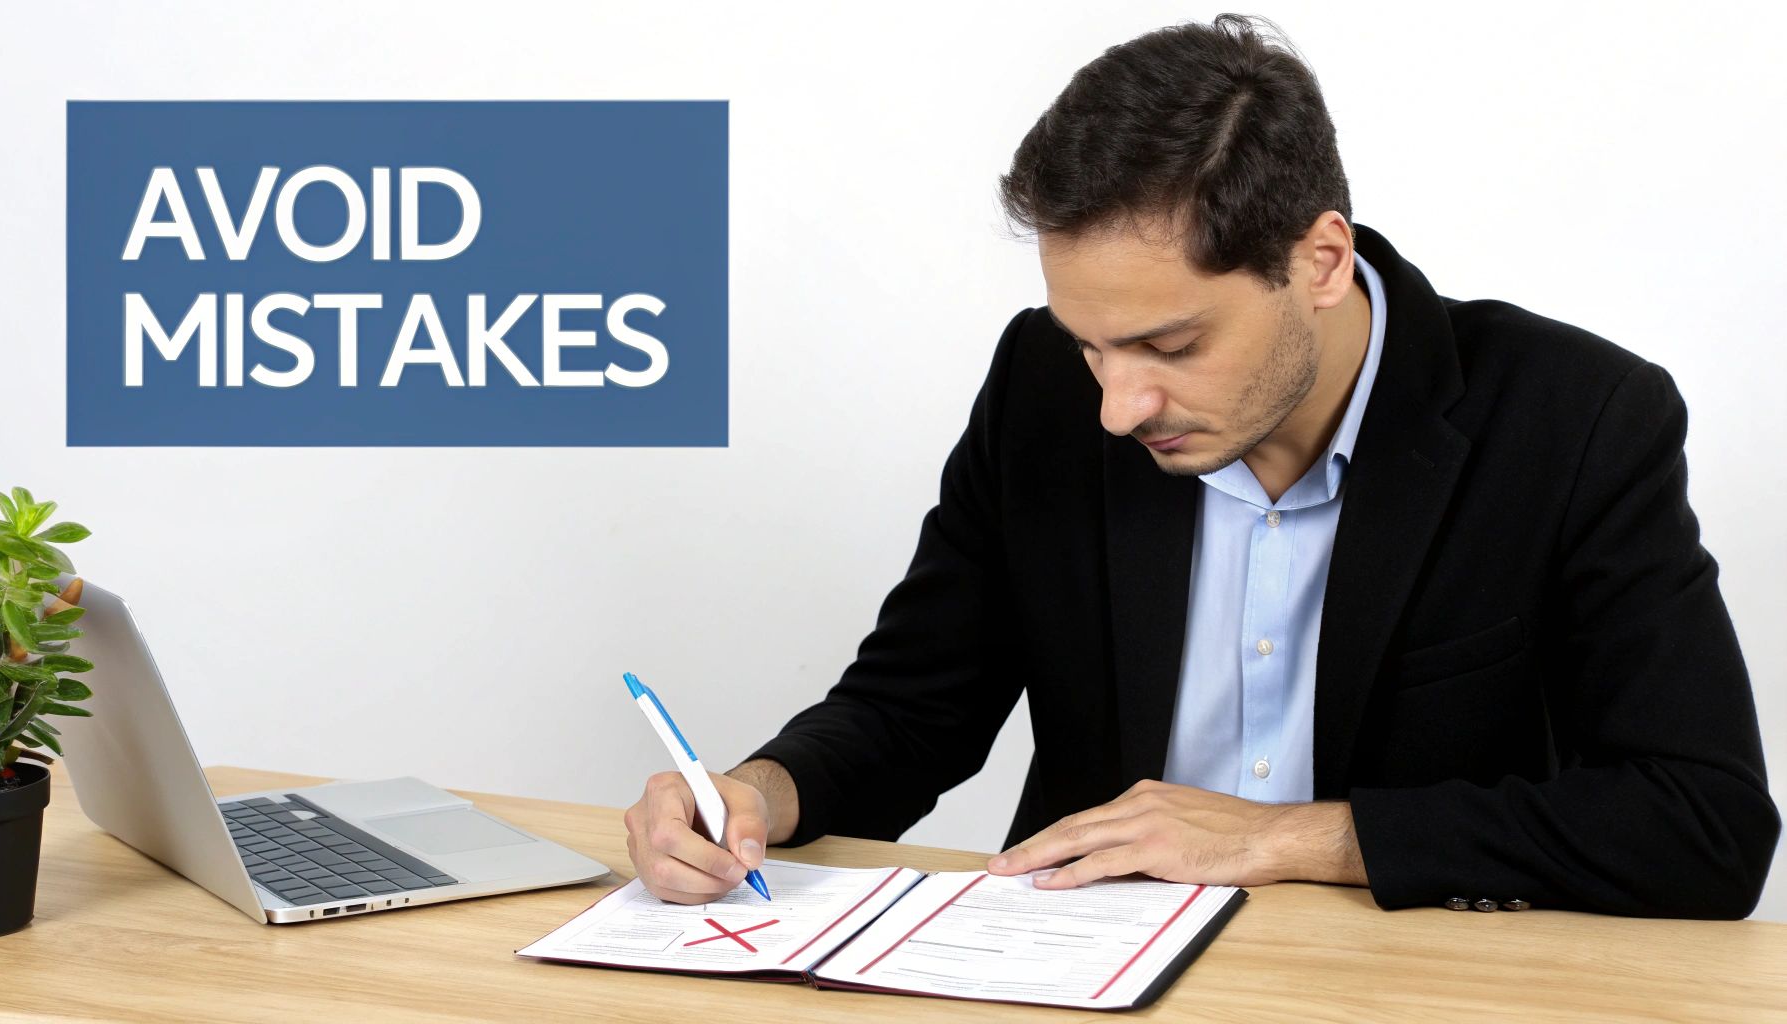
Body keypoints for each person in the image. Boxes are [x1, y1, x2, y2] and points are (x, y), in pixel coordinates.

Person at [623, 14, 1779, 918]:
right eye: (1090, 342)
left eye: (1170, 345)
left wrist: (1289, 836)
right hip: (1084, 966)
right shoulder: (1041, 388)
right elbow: (911, 705)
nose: (1117, 406)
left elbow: (1702, 823)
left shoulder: (1573, 419)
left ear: (1318, 259)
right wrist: (758, 791)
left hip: (1405, 981)